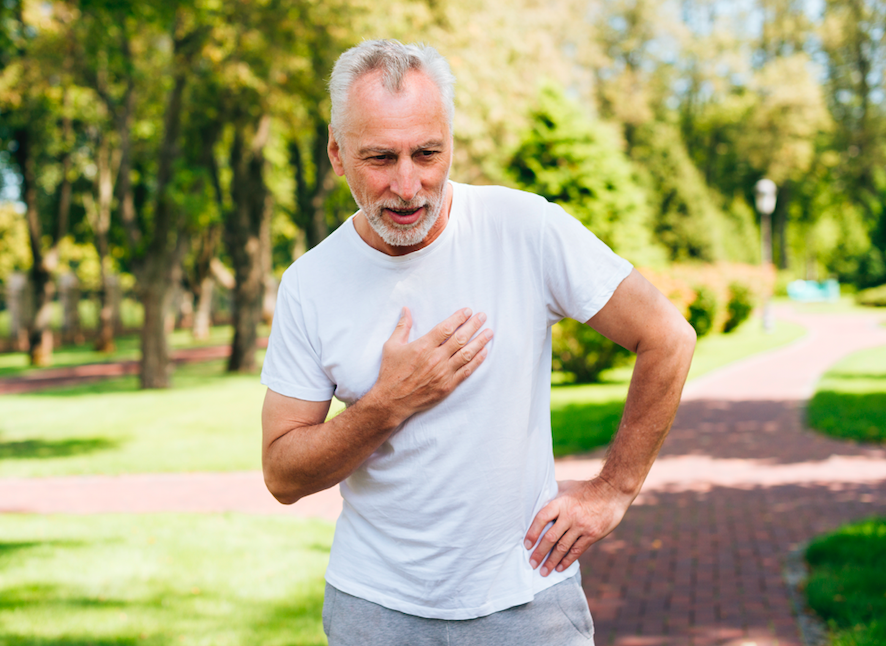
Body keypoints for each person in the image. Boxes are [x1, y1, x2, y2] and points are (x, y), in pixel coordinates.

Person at [260, 39, 696, 645]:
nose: (409, 185)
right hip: (375, 611)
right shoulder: (309, 283)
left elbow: (668, 337)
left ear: (451, 141)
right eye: (380, 158)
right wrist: (390, 402)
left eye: (428, 153)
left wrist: (613, 490)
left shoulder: (526, 229)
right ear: (337, 153)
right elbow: (283, 475)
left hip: (528, 597)